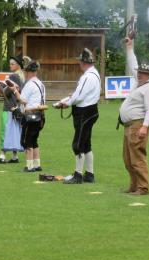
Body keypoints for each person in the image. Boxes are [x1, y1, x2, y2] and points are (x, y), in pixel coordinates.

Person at [117, 37, 149, 196]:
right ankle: (134, 185)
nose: (139, 74)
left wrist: (145, 127)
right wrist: (130, 48)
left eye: (143, 73)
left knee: (137, 157)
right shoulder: (139, 83)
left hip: (138, 125)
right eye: (139, 72)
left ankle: (143, 187)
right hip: (130, 125)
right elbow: (133, 63)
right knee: (128, 158)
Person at [55, 48, 101, 184]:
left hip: (84, 112)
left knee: (78, 144)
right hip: (90, 110)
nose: (79, 64)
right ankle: (89, 174)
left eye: (80, 61)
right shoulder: (94, 74)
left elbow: (78, 96)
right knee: (86, 144)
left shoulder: (87, 76)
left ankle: (78, 175)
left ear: (83, 62)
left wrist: (66, 103)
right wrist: (70, 100)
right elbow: (80, 94)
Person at [0, 55, 28, 164]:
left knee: (5, 131)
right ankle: (15, 156)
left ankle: (2, 155)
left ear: (18, 65)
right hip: (18, 107)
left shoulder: (13, 76)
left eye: (12, 64)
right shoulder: (23, 76)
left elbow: (6, 92)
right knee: (15, 131)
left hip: (9, 107)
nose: (10, 66)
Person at [15, 60, 47, 172]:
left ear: (28, 72)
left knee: (26, 141)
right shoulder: (41, 84)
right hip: (40, 116)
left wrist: (15, 91)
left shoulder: (29, 85)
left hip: (30, 116)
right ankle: (37, 164)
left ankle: (29, 166)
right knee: (34, 140)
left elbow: (23, 100)